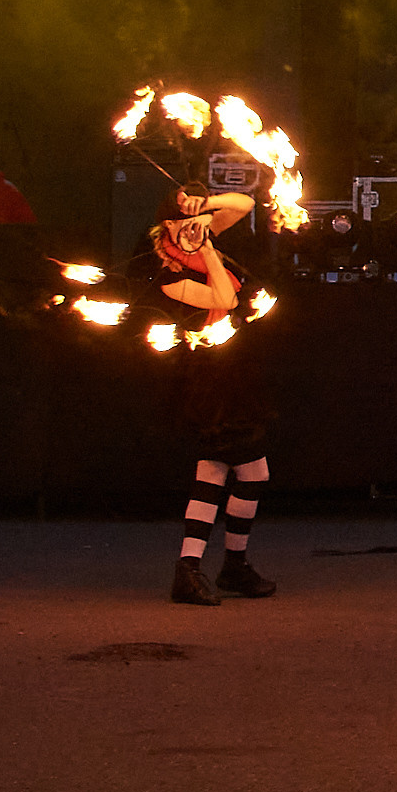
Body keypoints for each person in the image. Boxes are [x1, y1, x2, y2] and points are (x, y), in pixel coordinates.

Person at [127, 185, 279, 604]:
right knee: (234, 472)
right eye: (181, 224)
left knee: (231, 473)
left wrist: (205, 208)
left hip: (234, 375)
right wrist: (208, 244)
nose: (191, 230)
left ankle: (217, 567)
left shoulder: (199, 229)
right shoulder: (170, 276)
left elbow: (245, 203)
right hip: (208, 382)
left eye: (194, 223)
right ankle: (204, 568)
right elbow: (225, 299)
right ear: (165, 230)